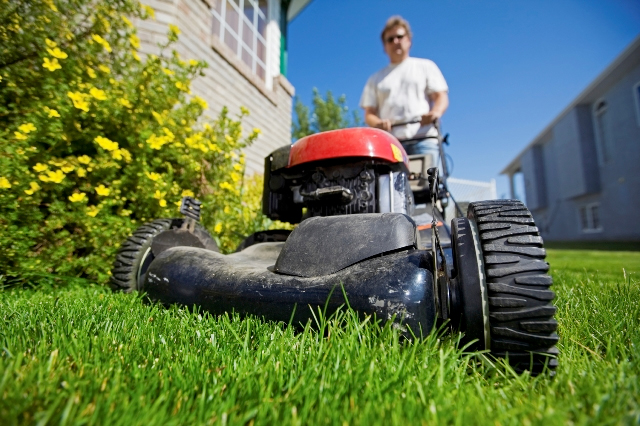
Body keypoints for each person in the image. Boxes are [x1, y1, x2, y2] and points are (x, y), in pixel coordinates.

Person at [360, 16, 449, 161]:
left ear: (408, 40)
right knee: (388, 184)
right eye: (390, 39)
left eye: (399, 37)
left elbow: (441, 97)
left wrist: (435, 112)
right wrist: (377, 123)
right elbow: (369, 113)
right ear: (384, 46)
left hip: (424, 138)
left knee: (429, 182)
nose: (395, 41)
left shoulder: (425, 66)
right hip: (390, 144)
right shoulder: (375, 79)